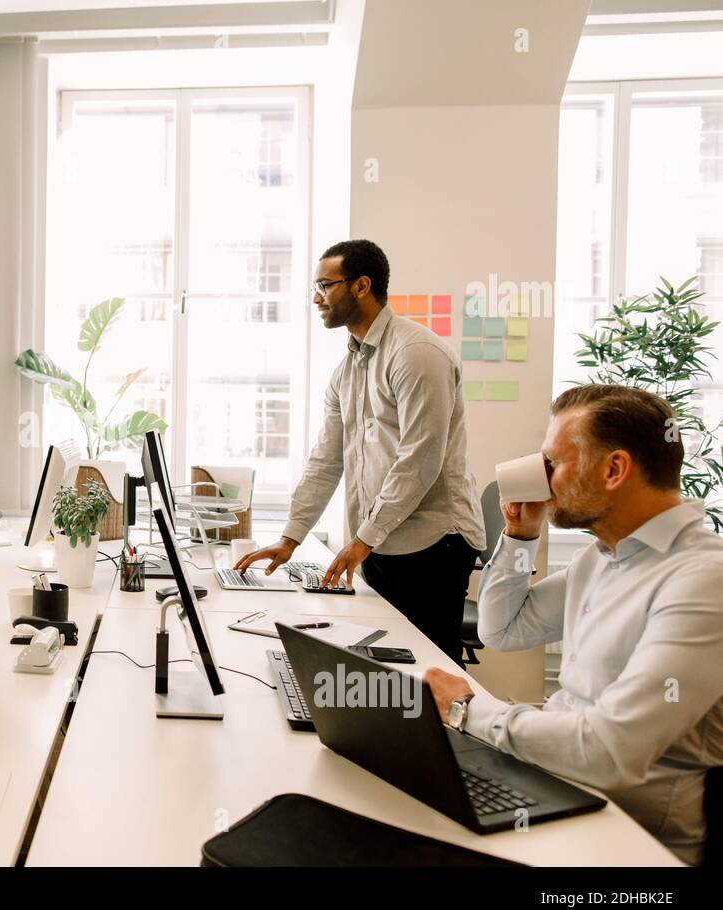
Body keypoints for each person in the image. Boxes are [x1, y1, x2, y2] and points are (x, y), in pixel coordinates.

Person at [425, 384, 723, 865]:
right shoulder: (604, 556)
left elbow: (608, 752)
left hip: (626, 835)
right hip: (552, 783)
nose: (541, 481)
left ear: (613, 469)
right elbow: (502, 631)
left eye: (552, 464)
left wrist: (465, 709)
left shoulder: (704, 580)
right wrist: (521, 535)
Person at [235, 239, 485, 662]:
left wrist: (362, 539)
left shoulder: (416, 354)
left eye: (325, 285)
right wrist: (291, 537)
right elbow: (326, 459)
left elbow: (420, 460)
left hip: (433, 542)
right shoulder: (348, 369)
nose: (317, 298)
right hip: (380, 541)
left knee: (430, 675)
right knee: (385, 671)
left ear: (361, 286)